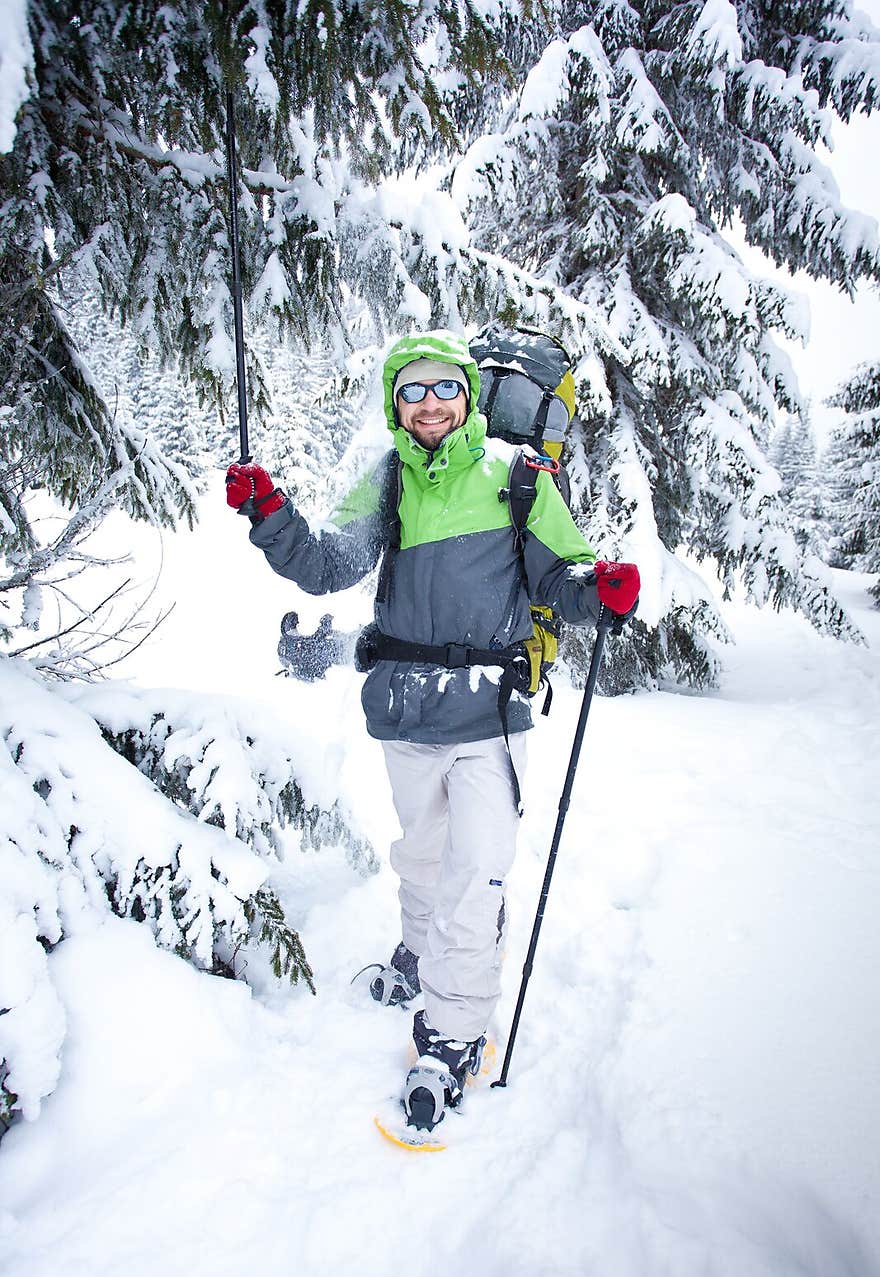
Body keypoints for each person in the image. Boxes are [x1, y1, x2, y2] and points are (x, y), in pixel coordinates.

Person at [226, 329, 640, 1133]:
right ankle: (418, 956)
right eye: (410, 392)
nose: (428, 405)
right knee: (422, 850)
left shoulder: (517, 478)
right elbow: (325, 565)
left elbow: (564, 577)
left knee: (477, 872)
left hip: (488, 708)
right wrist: (269, 511)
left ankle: (452, 1034)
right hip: (406, 707)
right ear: (395, 404)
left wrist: (604, 588)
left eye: (442, 388)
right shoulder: (387, 481)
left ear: (467, 394)